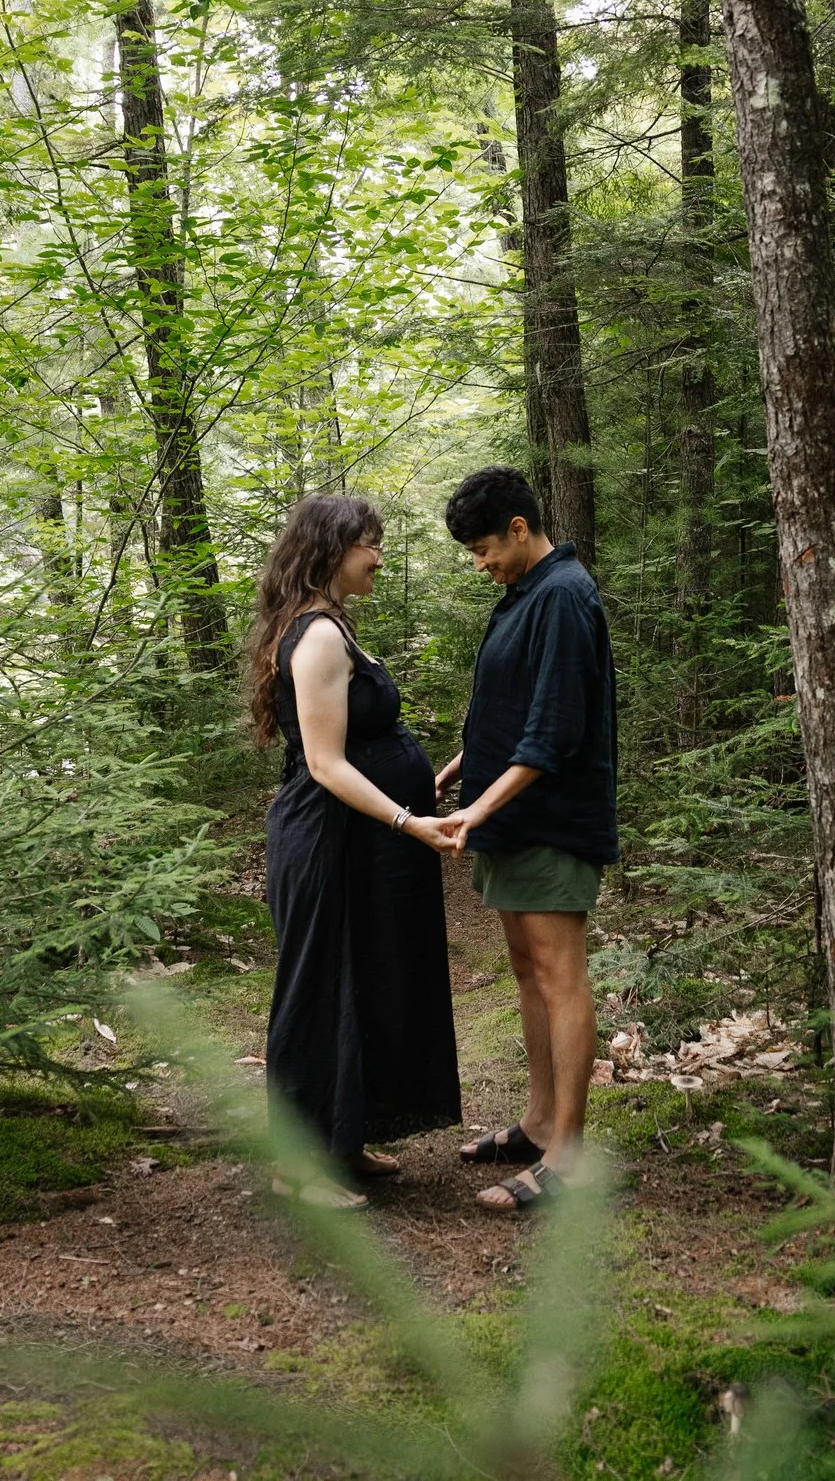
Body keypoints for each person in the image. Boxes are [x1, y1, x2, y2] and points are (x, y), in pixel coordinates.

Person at [249, 495, 464, 1209]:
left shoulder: (335, 625)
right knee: (315, 986)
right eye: (368, 544)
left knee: (363, 976)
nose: (378, 555)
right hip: (324, 837)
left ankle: (343, 1137)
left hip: (359, 838)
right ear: (329, 549)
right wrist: (410, 819)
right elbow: (326, 764)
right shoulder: (315, 638)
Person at [434, 467, 618, 1212]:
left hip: (551, 819)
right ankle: (539, 1121)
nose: (481, 565)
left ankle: (569, 1153)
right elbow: (509, 707)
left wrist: (477, 808)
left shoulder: (566, 597)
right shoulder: (524, 595)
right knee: (525, 968)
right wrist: (461, 768)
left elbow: (554, 731)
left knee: (559, 972)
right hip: (509, 813)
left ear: (519, 528)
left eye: (483, 549)